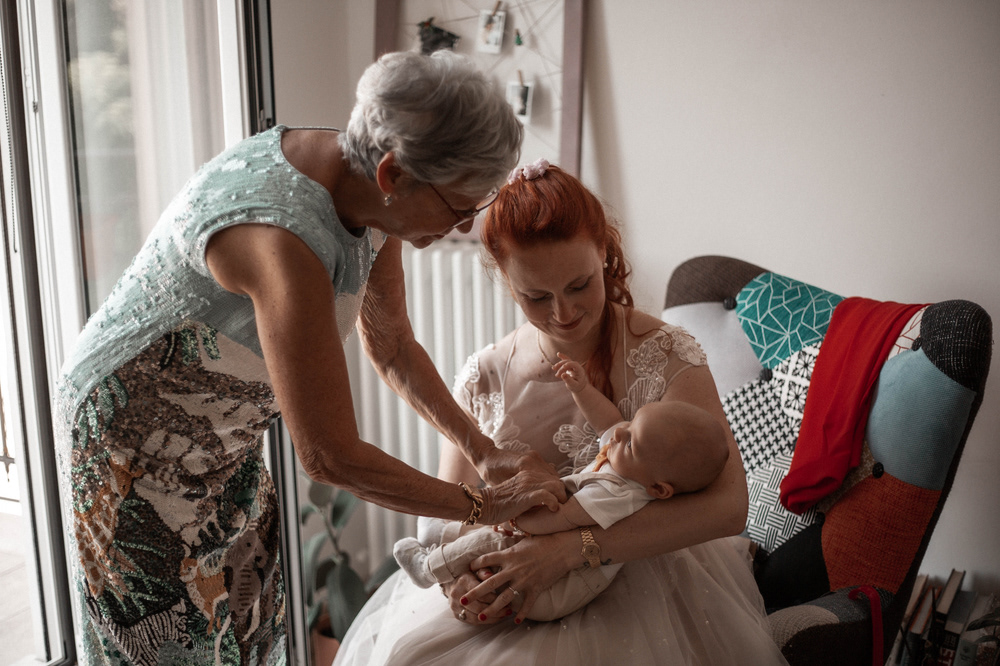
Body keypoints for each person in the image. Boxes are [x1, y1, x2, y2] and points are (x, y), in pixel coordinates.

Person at [54, 51, 567, 666]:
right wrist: (484, 506)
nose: (463, 227)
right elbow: (328, 456)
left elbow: (393, 346)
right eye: (459, 208)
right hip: (129, 441)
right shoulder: (282, 240)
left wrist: (482, 451)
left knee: (246, 619)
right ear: (394, 174)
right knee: (169, 642)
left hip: (222, 432)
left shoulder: (370, 197)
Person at [334, 160, 789, 665]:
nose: (563, 313)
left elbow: (729, 507)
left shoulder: (666, 353)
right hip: (513, 586)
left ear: (604, 253)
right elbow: (454, 510)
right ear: (506, 281)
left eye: (579, 285)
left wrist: (573, 549)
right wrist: (459, 582)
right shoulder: (483, 377)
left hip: (648, 577)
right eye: (536, 297)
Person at [392, 394, 729, 621]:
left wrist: (515, 518)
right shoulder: (636, 460)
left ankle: (429, 566)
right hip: (549, 573)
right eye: (632, 422)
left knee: (496, 538)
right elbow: (610, 423)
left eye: (630, 441)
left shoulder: (617, 492)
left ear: (659, 489)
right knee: (493, 527)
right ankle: (446, 539)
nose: (620, 434)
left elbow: (561, 518)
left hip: (558, 589)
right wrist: (582, 389)